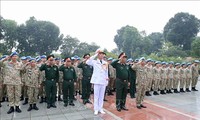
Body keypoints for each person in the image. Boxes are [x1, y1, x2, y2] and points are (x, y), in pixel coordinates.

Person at [86, 49, 109, 115]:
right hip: (96, 81)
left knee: (102, 96)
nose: (101, 55)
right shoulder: (94, 62)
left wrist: (106, 80)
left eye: (102, 53)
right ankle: (96, 109)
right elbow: (88, 62)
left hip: (103, 81)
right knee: (96, 96)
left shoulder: (105, 63)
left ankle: (100, 108)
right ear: (98, 55)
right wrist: (95, 54)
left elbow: (106, 72)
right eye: (100, 53)